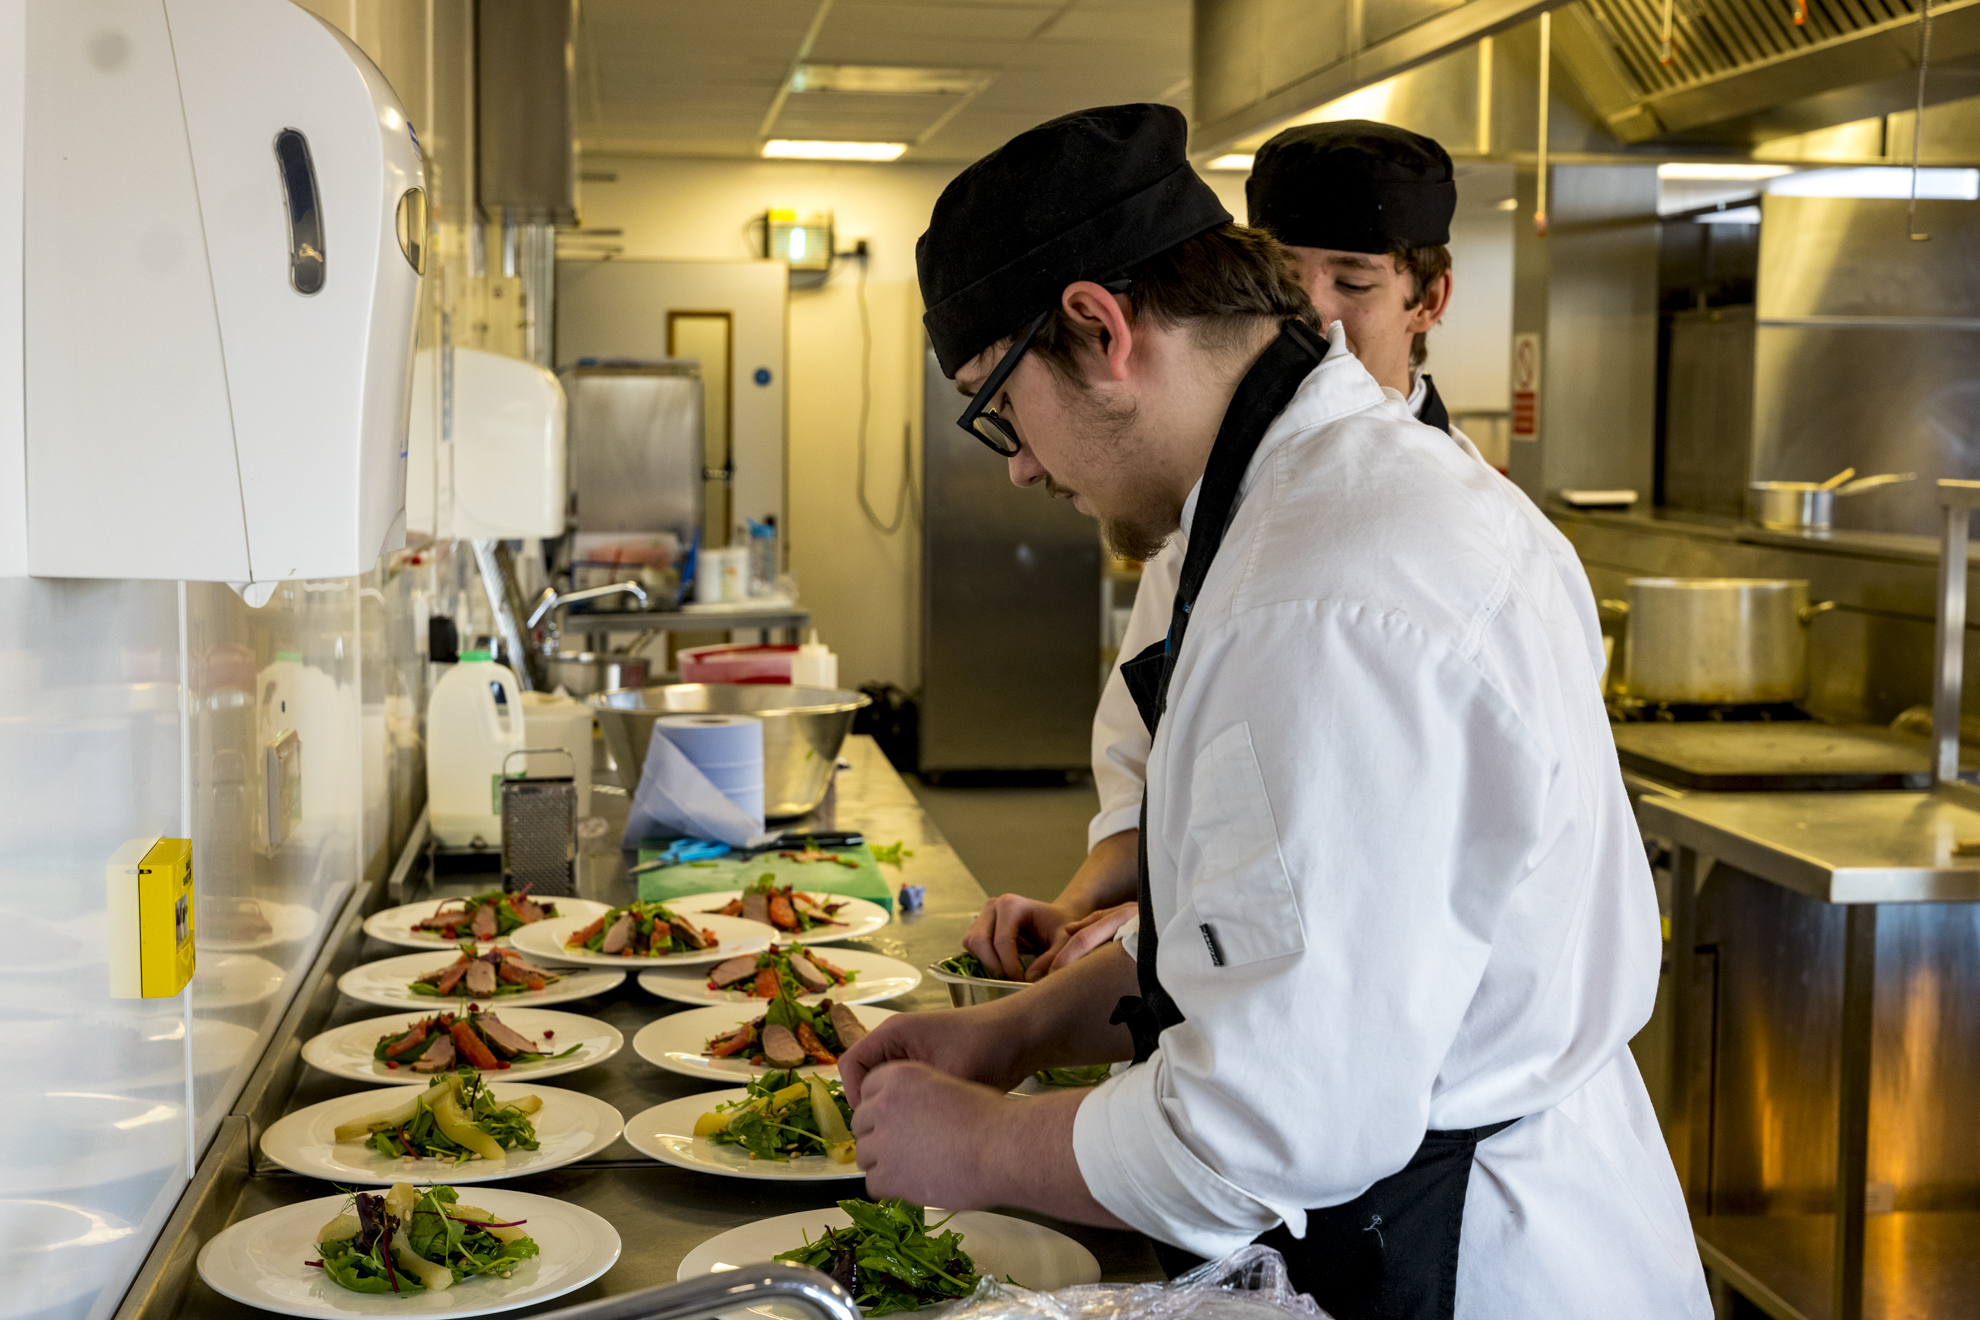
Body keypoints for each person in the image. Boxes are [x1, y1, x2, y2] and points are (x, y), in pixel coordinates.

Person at [839, 103, 1709, 1318]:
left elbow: (1266, 1127)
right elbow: (1252, 935)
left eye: (1000, 405)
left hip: (1467, 1259)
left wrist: (981, 1145)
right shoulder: (1298, 507)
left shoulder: (1322, 599)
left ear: (1100, 330)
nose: (1020, 465)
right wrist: (1021, 1032)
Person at [965, 121, 1551, 981]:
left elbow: (1327, 952)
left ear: (1427, 301)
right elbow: (1149, 770)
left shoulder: (1375, 556)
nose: (1314, 311)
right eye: (1287, 276)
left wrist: (1168, 933)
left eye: (1353, 281)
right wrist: (1089, 907)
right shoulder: (1219, 506)